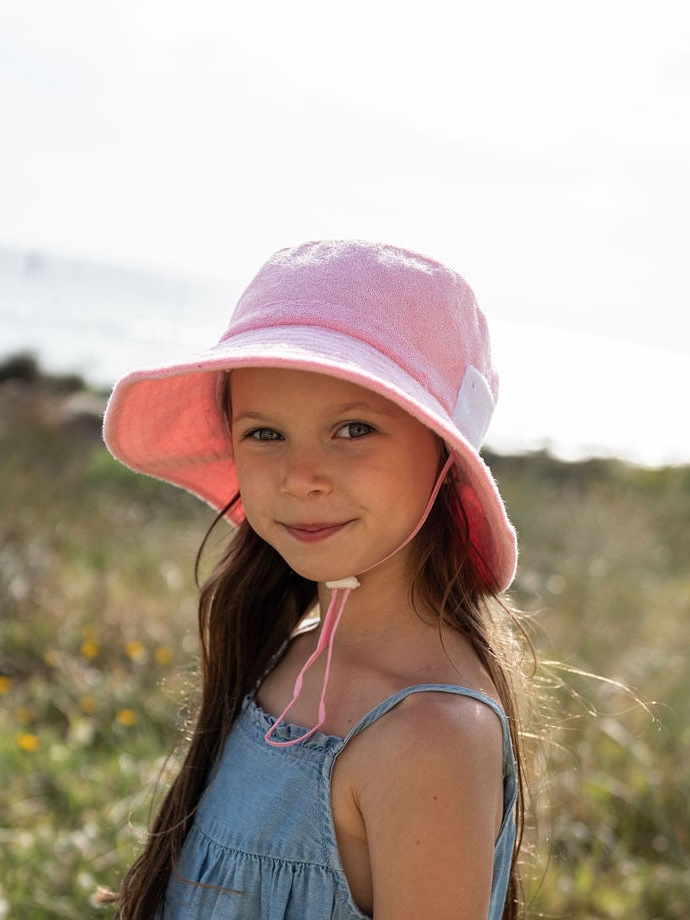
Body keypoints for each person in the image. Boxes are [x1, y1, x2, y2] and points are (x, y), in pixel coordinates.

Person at [102, 240, 531, 920]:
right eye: (265, 434)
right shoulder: (290, 649)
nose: (301, 478)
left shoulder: (429, 735)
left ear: (445, 454)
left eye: (353, 428)